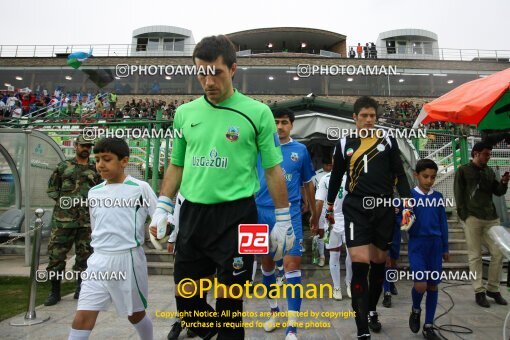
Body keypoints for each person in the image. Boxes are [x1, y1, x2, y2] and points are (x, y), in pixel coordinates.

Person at [149, 35, 293, 340]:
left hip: (242, 216)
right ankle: (209, 328)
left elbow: (273, 170)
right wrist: (163, 205)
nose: (208, 80)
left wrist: (284, 220)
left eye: (216, 72)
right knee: (186, 295)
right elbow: (176, 165)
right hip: (193, 214)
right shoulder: (185, 114)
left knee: (231, 301)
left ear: (233, 69)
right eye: (201, 72)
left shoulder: (258, 113)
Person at [326, 96, 411, 339]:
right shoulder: (344, 143)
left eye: (372, 116)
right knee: (360, 263)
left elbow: (400, 174)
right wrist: (330, 205)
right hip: (356, 209)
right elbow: (336, 177)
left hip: (383, 207)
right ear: (354, 117)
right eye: (364, 115)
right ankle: (362, 328)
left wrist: (407, 202)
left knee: (379, 264)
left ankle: (372, 309)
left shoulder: (388, 140)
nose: (369, 120)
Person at [68, 138, 157, 340]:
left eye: (107, 159)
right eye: (97, 159)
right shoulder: (94, 192)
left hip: (128, 261)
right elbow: (96, 225)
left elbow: (160, 216)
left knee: (135, 314)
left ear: (124, 161)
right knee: (83, 315)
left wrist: (162, 230)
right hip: (98, 261)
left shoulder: (140, 188)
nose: (100, 164)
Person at [256, 110, 317, 340]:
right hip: (261, 212)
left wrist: (313, 213)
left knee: (292, 266)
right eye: (276, 122)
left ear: (292, 125)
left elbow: (308, 184)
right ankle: (274, 311)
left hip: (290, 212)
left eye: (284, 122)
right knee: (267, 265)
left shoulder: (300, 151)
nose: (280, 126)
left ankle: (292, 327)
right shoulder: (259, 147)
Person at [44, 135, 100, 306]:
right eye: (83, 145)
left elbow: (101, 191)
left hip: (86, 222)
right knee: (56, 255)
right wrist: (64, 204)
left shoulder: (95, 168)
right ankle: (55, 292)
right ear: (75, 146)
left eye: (88, 146)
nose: (86, 149)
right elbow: (52, 189)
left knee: (85, 256)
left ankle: (80, 288)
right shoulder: (63, 167)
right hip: (63, 221)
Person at [454, 142, 509, 308]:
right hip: (473, 217)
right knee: (475, 255)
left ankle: (493, 288)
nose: (489, 156)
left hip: (491, 217)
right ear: (476, 154)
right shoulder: (463, 170)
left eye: (490, 154)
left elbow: (497, 191)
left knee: (498, 252)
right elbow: (458, 193)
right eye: (486, 154)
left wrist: (504, 182)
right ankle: (479, 290)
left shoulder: (489, 171)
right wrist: (464, 215)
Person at [406, 159, 449, 340]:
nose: (429, 180)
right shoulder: (408, 196)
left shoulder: (438, 197)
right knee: (421, 284)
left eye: (432, 177)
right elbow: (402, 222)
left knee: (432, 285)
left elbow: (443, 224)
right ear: (416, 175)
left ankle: (428, 325)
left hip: (435, 245)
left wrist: (445, 247)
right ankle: (416, 309)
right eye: (425, 176)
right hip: (417, 245)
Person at [316, 171, 352, 300]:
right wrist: (316, 220)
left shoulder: (351, 176)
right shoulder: (325, 179)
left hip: (350, 218)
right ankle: (336, 287)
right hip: (331, 219)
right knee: (334, 254)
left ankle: (349, 282)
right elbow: (319, 202)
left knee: (352, 253)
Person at [381, 204, 402, 308]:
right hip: (382, 233)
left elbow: (403, 219)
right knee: (387, 262)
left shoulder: (399, 199)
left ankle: (391, 282)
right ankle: (387, 293)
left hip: (396, 234)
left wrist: (397, 215)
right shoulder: (378, 197)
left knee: (393, 262)